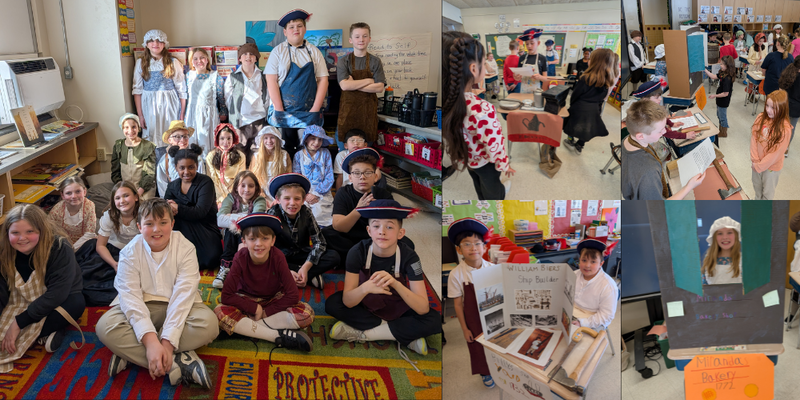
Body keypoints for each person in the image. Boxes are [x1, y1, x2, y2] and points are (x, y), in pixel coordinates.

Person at [95, 198, 218, 387]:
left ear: (172, 223)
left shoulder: (186, 248)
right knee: (105, 326)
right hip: (143, 305)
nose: (156, 230)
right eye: (149, 224)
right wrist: (151, 341)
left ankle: (132, 354)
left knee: (209, 324)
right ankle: (178, 363)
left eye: (163, 223)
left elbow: (183, 296)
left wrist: (167, 343)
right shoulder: (129, 252)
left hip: (180, 307)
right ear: (139, 226)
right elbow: (131, 298)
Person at [325, 200, 441, 358]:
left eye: (390, 226)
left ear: (401, 233)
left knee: (434, 320)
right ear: (369, 231)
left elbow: (422, 307)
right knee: (333, 304)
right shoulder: (357, 252)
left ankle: (365, 334)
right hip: (366, 303)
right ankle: (403, 335)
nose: (382, 232)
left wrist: (395, 284)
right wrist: (366, 287)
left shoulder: (410, 257)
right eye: (376, 226)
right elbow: (348, 300)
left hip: (397, 305)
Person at [214, 213, 313, 352]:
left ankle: (245, 328)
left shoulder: (278, 256)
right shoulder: (240, 257)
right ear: (244, 241)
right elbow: (227, 296)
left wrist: (266, 312)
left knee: (306, 314)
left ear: (273, 241)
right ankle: (275, 336)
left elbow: (292, 295)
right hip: (246, 300)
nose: (259, 244)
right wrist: (255, 309)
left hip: (272, 299)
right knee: (218, 311)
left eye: (265, 238)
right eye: (252, 239)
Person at [0, 204, 85, 362]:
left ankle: (43, 330)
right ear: (7, 234)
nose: (22, 238)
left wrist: (18, 323)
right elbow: (1, 291)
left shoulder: (60, 247)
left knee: (76, 303)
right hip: (20, 299)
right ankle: (43, 333)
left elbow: (57, 293)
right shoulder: (3, 251)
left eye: (29, 231)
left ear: (41, 230)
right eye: (15, 233)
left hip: (58, 297)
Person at [442, 31, 514, 200]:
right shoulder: (482, 109)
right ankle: (499, 195)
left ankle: (482, 198)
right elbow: (494, 143)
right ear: (474, 69)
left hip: (467, 157)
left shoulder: (447, 102)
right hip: (486, 160)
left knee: (476, 179)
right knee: (493, 187)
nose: (486, 66)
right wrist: (504, 164)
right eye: (484, 62)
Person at [322, 148, 413, 263]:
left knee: (407, 244)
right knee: (327, 234)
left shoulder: (384, 194)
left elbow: (393, 226)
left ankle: (360, 257)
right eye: (356, 173)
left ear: (375, 177)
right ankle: (368, 257)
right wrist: (359, 209)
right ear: (350, 177)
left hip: (375, 238)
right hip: (350, 237)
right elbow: (339, 227)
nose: (362, 177)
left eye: (368, 172)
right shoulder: (343, 193)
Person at [265, 9, 328, 159]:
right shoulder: (277, 52)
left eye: (299, 26)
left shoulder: (314, 52)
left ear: (305, 29)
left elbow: (323, 80)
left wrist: (315, 109)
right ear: (285, 32)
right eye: (291, 27)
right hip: (283, 112)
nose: (296, 29)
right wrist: (279, 110)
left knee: (307, 151)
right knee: (283, 152)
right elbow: (271, 80)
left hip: (308, 113)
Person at [446, 218, 496, 388]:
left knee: (496, 344)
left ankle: (498, 369)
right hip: (473, 320)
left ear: (485, 247)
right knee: (477, 347)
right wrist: (464, 328)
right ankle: (485, 372)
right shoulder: (456, 274)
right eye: (466, 244)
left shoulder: (492, 268)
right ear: (459, 249)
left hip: (493, 313)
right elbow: (458, 305)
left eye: (477, 243)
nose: (473, 248)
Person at [266, 173, 340, 289]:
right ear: (278, 199)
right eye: (286, 198)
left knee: (334, 256)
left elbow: (320, 243)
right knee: (264, 261)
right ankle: (299, 274)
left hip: (301, 254)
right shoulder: (272, 214)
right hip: (280, 257)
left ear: (303, 199)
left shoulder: (306, 212)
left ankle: (300, 274)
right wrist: (285, 268)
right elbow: (267, 248)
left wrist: (306, 267)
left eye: (297, 198)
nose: (292, 203)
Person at [621, 100, 706, 200]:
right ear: (640, 136)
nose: (665, 131)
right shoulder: (649, 173)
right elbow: (659, 207)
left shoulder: (627, 140)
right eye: (660, 130)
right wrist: (689, 187)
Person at [74, 181, 140, 306]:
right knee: (86, 271)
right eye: (117, 198)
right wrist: (114, 264)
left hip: (132, 254)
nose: (122, 201)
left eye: (126, 196)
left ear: (136, 197)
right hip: (110, 251)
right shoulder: (110, 216)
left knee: (121, 284)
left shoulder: (144, 214)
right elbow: (101, 245)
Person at [163, 144, 222, 270]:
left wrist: (177, 208)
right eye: (182, 168)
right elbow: (165, 208)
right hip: (180, 227)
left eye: (191, 167)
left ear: (196, 166)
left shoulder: (205, 182)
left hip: (204, 227)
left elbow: (200, 212)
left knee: (210, 259)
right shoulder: (172, 186)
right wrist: (170, 209)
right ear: (176, 168)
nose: (186, 172)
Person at [133, 29, 187, 157]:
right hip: (149, 105)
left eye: (159, 40)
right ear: (146, 44)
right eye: (151, 41)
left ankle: (172, 166)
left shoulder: (173, 62)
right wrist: (140, 115)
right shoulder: (141, 63)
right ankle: (156, 170)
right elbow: (137, 90)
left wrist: (182, 113)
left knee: (171, 134)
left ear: (164, 43)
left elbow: (181, 90)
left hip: (169, 104)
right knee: (152, 137)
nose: (155, 43)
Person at [213, 171, 267, 289]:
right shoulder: (230, 198)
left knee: (237, 227)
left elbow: (256, 220)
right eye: (243, 185)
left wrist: (232, 218)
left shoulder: (259, 200)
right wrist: (244, 218)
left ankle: (242, 271)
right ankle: (226, 267)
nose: (247, 189)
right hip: (233, 234)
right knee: (232, 229)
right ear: (237, 187)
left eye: (251, 186)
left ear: (256, 187)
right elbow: (220, 220)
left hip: (251, 234)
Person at [563, 48, 620, 154]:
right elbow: (603, 96)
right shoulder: (607, 79)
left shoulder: (585, 78)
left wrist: (572, 105)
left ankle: (570, 140)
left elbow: (576, 94)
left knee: (571, 123)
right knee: (587, 127)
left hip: (579, 106)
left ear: (594, 61)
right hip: (594, 107)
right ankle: (580, 145)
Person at [337, 22, 385, 143]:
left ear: (369, 39)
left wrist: (354, 85)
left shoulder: (375, 61)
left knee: (366, 153)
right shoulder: (344, 61)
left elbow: (379, 88)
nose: (361, 39)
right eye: (357, 36)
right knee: (346, 152)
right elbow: (344, 85)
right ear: (351, 40)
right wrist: (368, 81)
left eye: (364, 36)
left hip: (368, 114)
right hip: (348, 112)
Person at [223, 43, 268, 164]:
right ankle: (241, 179)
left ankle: (255, 178)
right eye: (245, 54)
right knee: (239, 152)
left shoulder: (262, 76)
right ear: (239, 58)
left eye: (252, 54)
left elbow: (267, 96)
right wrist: (236, 113)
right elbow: (228, 99)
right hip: (240, 122)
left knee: (257, 153)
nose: (248, 56)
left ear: (256, 58)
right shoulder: (233, 77)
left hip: (259, 120)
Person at [185, 47, 227, 158]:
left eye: (202, 58)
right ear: (192, 62)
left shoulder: (215, 77)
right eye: (196, 59)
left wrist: (223, 111)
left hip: (209, 115)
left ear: (207, 60)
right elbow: (185, 96)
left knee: (207, 145)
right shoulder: (189, 76)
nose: (199, 61)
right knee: (192, 142)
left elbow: (221, 97)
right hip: (192, 114)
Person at [622, 81, 699, 142]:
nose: (660, 99)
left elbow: (662, 117)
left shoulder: (651, 105)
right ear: (645, 99)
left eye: (660, 96)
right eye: (656, 97)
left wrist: (672, 124)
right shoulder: (646, 114)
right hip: (643, 139)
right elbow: (665, 132)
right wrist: (686, 136)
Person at [751, 89, 792, 199]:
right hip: (757, 164)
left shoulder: (785, 129)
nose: (768, 110)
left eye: (773, 108)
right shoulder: (761, 117)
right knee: (757, 189)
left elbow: (775, 154)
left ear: (782, 108)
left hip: (771, 168)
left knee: (767, 194)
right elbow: (754, 138)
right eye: (767, 105)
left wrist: (759, 166)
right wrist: (755, 160)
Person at [292, 125, 334, 227]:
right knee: (303, 216)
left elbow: (329, 177)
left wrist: (316, 193)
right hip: (304, 193)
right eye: (313, 139)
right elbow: (297, 177)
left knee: (321, 214)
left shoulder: (326, 153)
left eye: (320, 140)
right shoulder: (298, 155)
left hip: (322, 192)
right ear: (306, 139)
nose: (316, 143)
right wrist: (306, 194)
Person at [572, 239, 618, 332]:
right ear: (579, 260)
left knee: (578, 344)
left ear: (601, 264)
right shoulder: (574, 274)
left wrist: (582, 322)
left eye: (593, 262)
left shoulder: (608, 286)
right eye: (584, 260)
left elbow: (606, 316)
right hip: (572, 310)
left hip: (593, 318)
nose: (587, 265)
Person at [112, 113, 157, 199]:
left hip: (144, 189)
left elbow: (149, 173)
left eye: (133, 127)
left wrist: (138, 193)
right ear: (122, 128)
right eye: (126, 127)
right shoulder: (118, 146)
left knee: (144, 208)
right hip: (125, 189)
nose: (130, 131)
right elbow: (115, 171)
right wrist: (123, 189)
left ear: (138, 128)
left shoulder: (147, 146)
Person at [156, 121, 206, 196]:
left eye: (185, 136)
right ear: (170, 140)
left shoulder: (197, 158)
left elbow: (202, 182)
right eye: (177, 137)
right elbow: (162, 184)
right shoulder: (165, 161)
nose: (182, 140)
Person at [48, 177, 96, 250]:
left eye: (78, 191)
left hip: (84, 242)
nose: (74, 196)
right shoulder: (57, 210)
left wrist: (73, 248)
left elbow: (89, 233)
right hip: (63, 244)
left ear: (84, 192)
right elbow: (51, 232)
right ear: (62, 195)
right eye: (68, 193)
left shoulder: (89, 206)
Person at [205, 123, 247, 204]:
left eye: (229, 138)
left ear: (233, 139)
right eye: (222, 138)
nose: (226, 142)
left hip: (235, 193)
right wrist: (220, 198)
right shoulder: (211, 156)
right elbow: (212, 178)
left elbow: (241, 178)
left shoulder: (241, 156)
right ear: (217, 139)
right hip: (217, 194)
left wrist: (232, 196)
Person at [250, 126, 291, 201]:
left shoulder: (284, 155)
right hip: (260, 192)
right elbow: (253, 178)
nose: (269, 141)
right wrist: (261, 195)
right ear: (262, 140)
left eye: (272, 137)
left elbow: (288, 178)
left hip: (280, 192)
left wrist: (280, 196)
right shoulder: (256, 156)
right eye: (266, 138)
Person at [701, 217, 742, 285]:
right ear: (714, 238)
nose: (725, 237)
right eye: (720, 233)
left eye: (729, 232)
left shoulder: (743, 260)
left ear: (736, 236)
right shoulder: (709, 259)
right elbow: (704, 286)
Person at [704, 55, 736, 138]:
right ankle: (721, 128)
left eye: (722, 64)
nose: (720, 65)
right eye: (720, 63)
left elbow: (726, 93)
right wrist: (705, 70)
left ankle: (723, 132)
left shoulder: (727, 78)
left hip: (723, 101)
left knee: (722, 116)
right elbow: (714, 76)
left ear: (728, 65)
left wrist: (714, 95)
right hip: (720, 99)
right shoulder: (723, 73)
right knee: (719, 114)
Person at [778, 56, 800, 154]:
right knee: (791, 128)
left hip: (784, 103)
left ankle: (776, 145)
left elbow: (781, 89)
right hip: (796, 107)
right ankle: (785, 149)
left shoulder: (788, 72)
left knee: (780, 125)